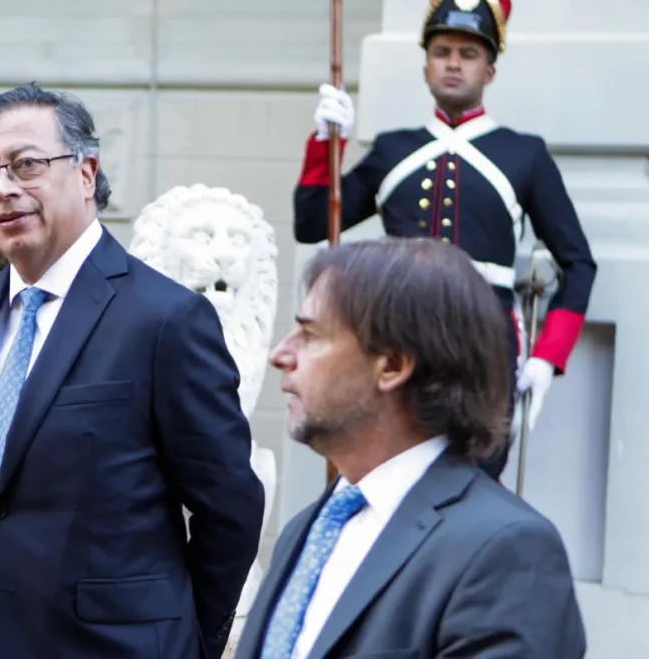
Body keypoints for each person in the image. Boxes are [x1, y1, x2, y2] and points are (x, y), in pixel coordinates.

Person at [0, 83, 265, 659]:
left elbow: (229, 507)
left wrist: (190, 643)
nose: (3, 188)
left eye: (26, 165)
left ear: (87, 173)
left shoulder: (166, 318)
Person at [234, 237, 586, 659]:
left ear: (394, 366)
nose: (280, 354)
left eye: (310, 335)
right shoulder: (308, 528)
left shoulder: (505, 551)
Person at [292, 0, 597, 478]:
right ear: (426, 65)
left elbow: (579, 264)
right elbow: (311, 224)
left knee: (470, 478)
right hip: (393, 335)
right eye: (442, 51)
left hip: (486, 341)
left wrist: (545, 357)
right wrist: (325, 141)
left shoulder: (524, 155)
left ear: (490, 72)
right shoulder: (393, 149)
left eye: (469, 54)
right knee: (383, 475)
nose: (453, 63)